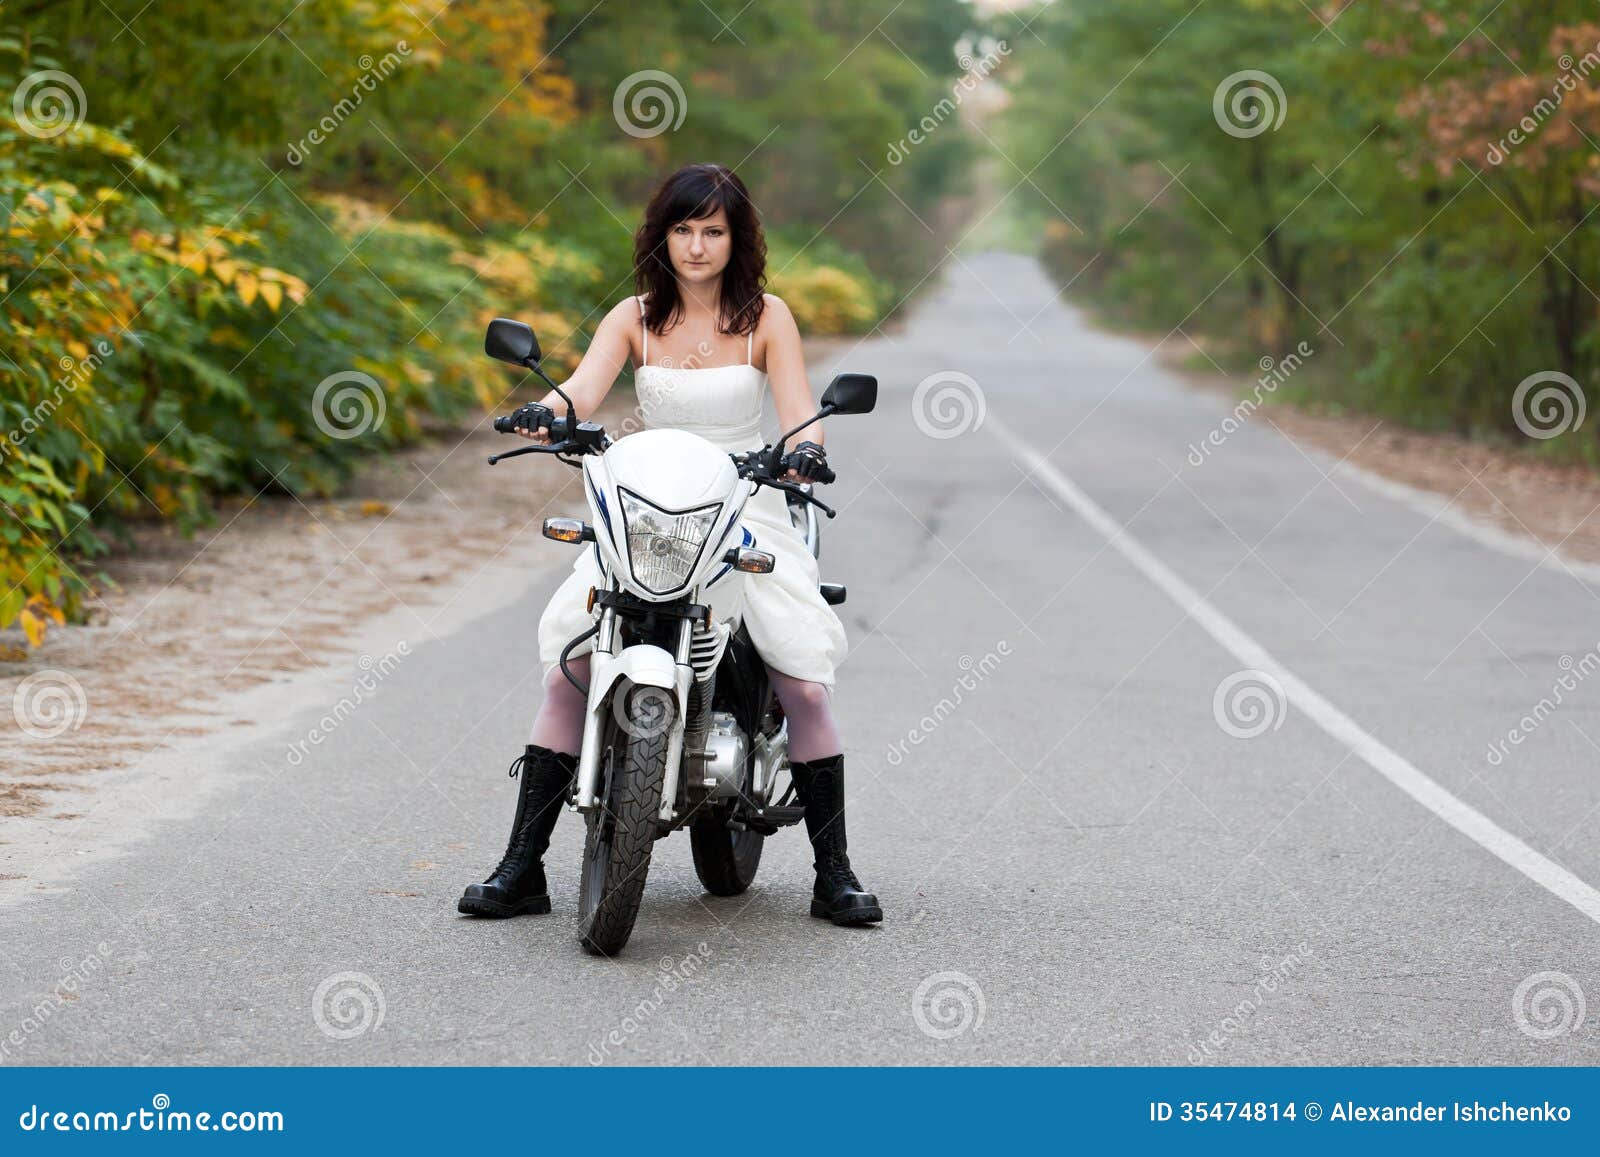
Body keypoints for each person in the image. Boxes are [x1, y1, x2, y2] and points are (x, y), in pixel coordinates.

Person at [457, 162, 881, 927]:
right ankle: (521, 866)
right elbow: (581, 391)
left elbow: (798, 412)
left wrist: (805, 452)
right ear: (662, 236)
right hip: (649, 505)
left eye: (712, 230)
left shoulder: (765, 317)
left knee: (805, 683)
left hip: (744, 500)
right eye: (683, 229)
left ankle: (835, 873)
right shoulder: (634, 316)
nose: (696, 245)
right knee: (569, 669)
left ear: (735, 238)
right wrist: (542, 412)